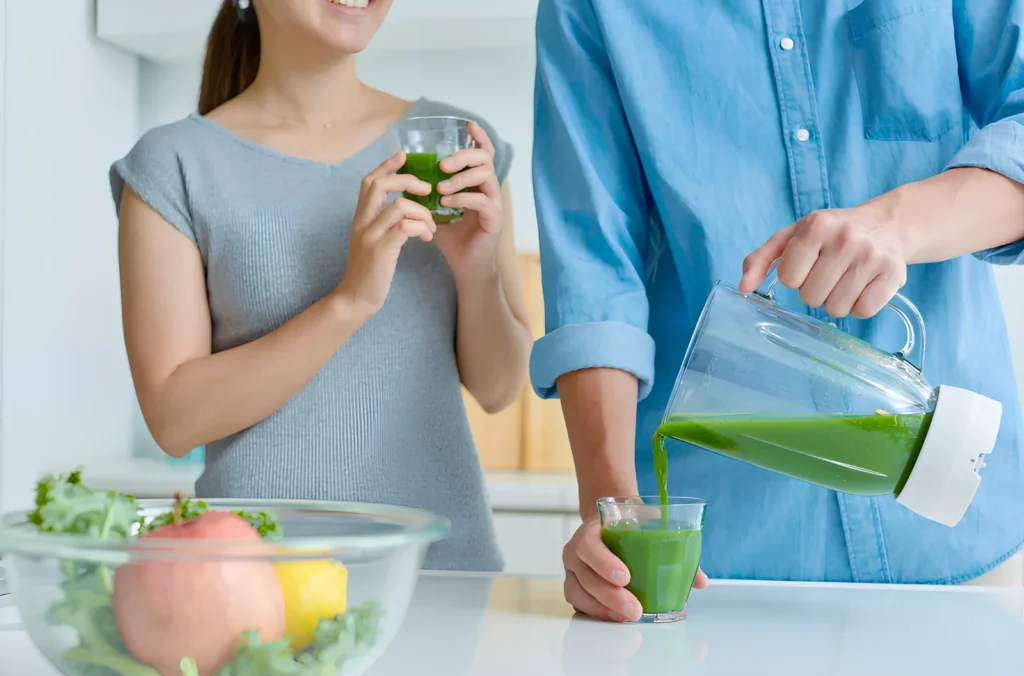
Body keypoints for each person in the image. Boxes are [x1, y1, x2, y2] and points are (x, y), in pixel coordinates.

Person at [531, 0, 1024, 621]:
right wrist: (613, 520)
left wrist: (897, 224)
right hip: (725, 576)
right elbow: (594, 269)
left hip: (970, 543)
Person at [109, 0, 530, 571]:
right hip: (253, 584)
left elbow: (500, 388)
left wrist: (474, 269)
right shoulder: (173, 166)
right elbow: (175, 420)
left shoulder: (454, 147)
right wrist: (350, 301)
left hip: (438, 576)